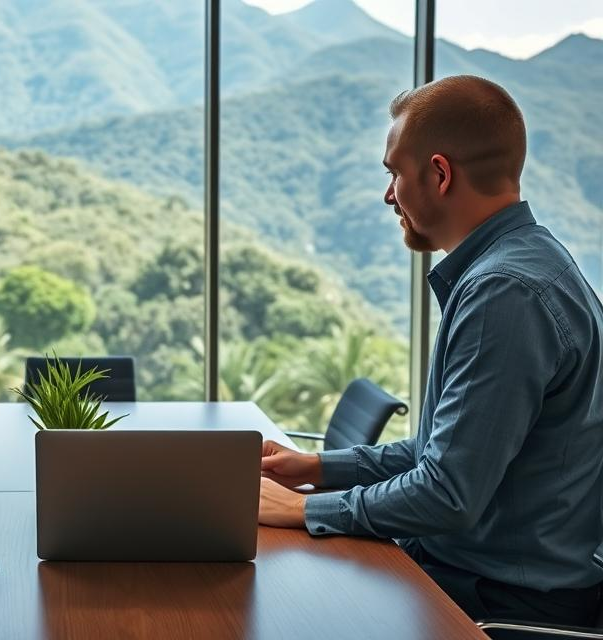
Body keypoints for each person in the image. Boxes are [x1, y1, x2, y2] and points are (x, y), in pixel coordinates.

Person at [258, 75, 603, 626]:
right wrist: (318, 466)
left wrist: (300, 508)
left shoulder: (505, 293)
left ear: (439, 174)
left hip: (495, 605)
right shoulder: (529, 265)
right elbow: (441, 453)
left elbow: (447, 493)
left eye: (395, 172)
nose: (389, 194)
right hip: (481, 581)